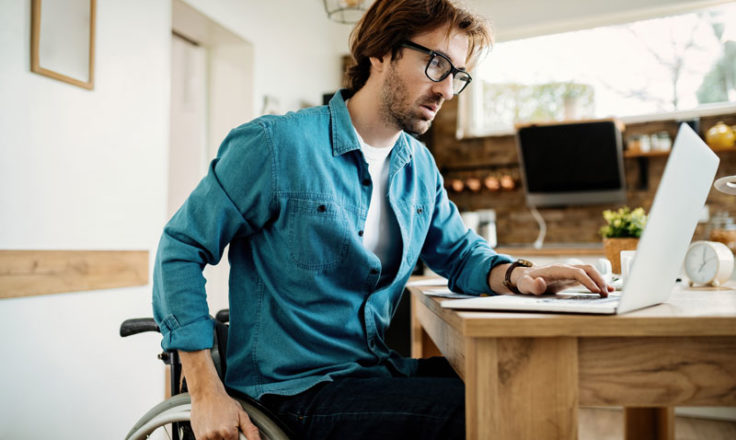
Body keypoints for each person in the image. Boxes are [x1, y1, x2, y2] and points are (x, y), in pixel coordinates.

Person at [152, 0, 612, 438]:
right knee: (488, 411)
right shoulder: (277, 146)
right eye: (435, 63)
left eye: (458, 75)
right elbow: (180, 248)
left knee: (521, 383)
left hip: (372, 372)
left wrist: (519, 275)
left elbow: (459, 253)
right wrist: (204, 390)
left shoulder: (419, 167)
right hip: (291, 393)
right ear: (379, 51)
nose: (447, 89)